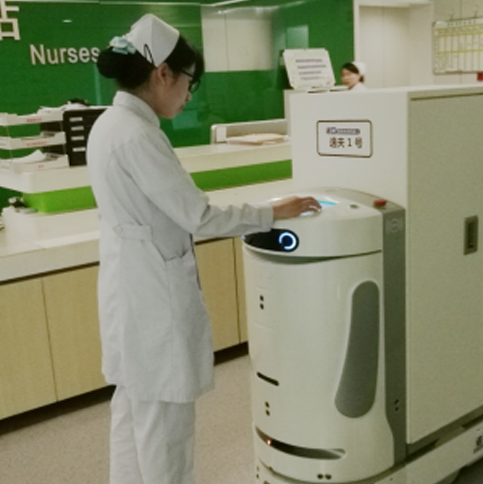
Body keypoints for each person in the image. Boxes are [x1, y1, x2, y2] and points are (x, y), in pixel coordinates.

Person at [86, 13, 321, 484]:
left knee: (133, 418)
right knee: (165, 433)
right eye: (188, 82)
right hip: (151, 299)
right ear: (163, 73)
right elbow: (199, 215)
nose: (189, 95)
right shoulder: (138, 135)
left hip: (129, 290)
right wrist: (272, 211)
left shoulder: (110, 124)